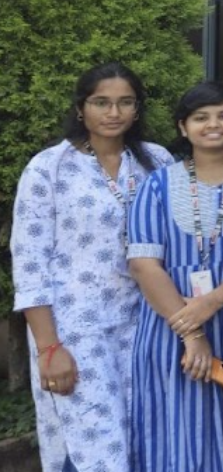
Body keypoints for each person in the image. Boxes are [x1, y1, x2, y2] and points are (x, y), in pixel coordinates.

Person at [14, 64, 175, 472]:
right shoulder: (49, 167)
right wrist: (49, 348)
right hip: (74, 329)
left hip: (147, 324)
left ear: (137, 109)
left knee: (144, 437)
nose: (113, 112)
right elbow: (30, 263)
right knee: (95, 446)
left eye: (125, 102)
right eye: (101, 102)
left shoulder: (156, 161)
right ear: (81, 108)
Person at [127, 80, 223, 472]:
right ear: (183, 127)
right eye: (201, 117)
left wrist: (214, 301)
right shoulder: (157, 185)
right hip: (171, 329)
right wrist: (192, 333)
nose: (213, 125)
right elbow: (144, 265)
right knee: (176, 434)